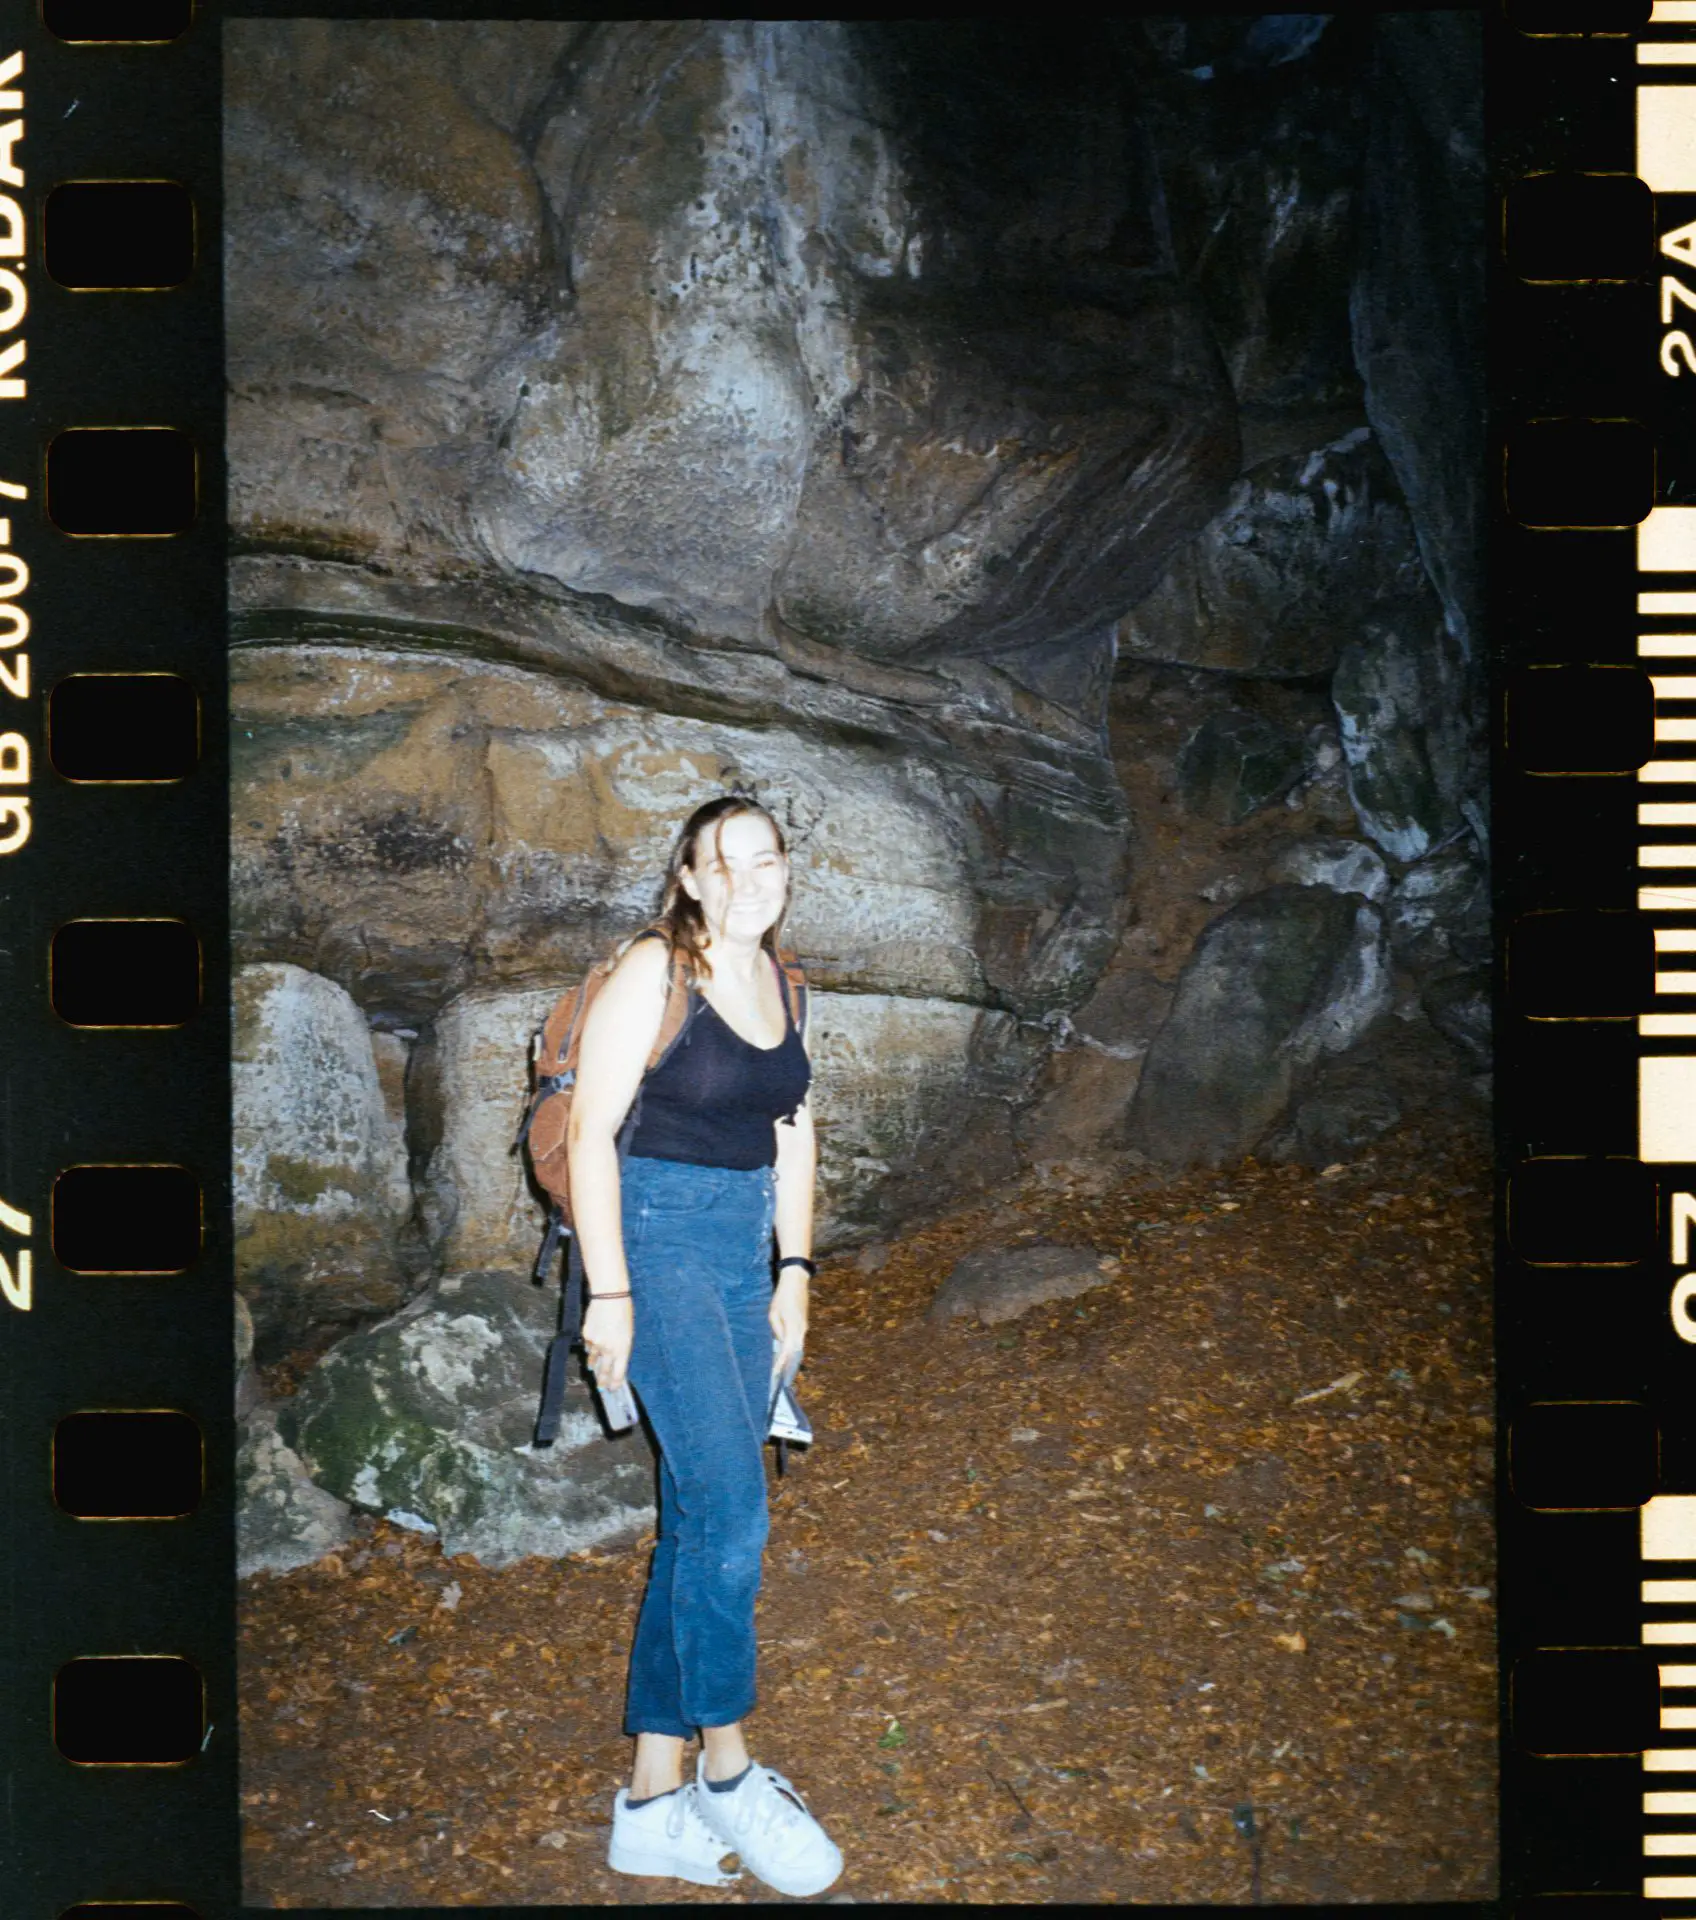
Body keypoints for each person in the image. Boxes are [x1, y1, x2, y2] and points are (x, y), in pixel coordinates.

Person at [566, 793, 844, 1897]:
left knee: (694, 1520)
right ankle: (725, 1774)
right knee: (734, 1512)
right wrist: (612, 1296)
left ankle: (647, 1803)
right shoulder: (653, 970)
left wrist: (795, 1273)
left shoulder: (783, 981)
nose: (744, 880)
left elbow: (793, 1126)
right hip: (659, 1238)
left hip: (741, 1251)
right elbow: (591, 1131)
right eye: (719, 864)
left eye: (763, 859)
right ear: (686, 877)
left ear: (784, 871)